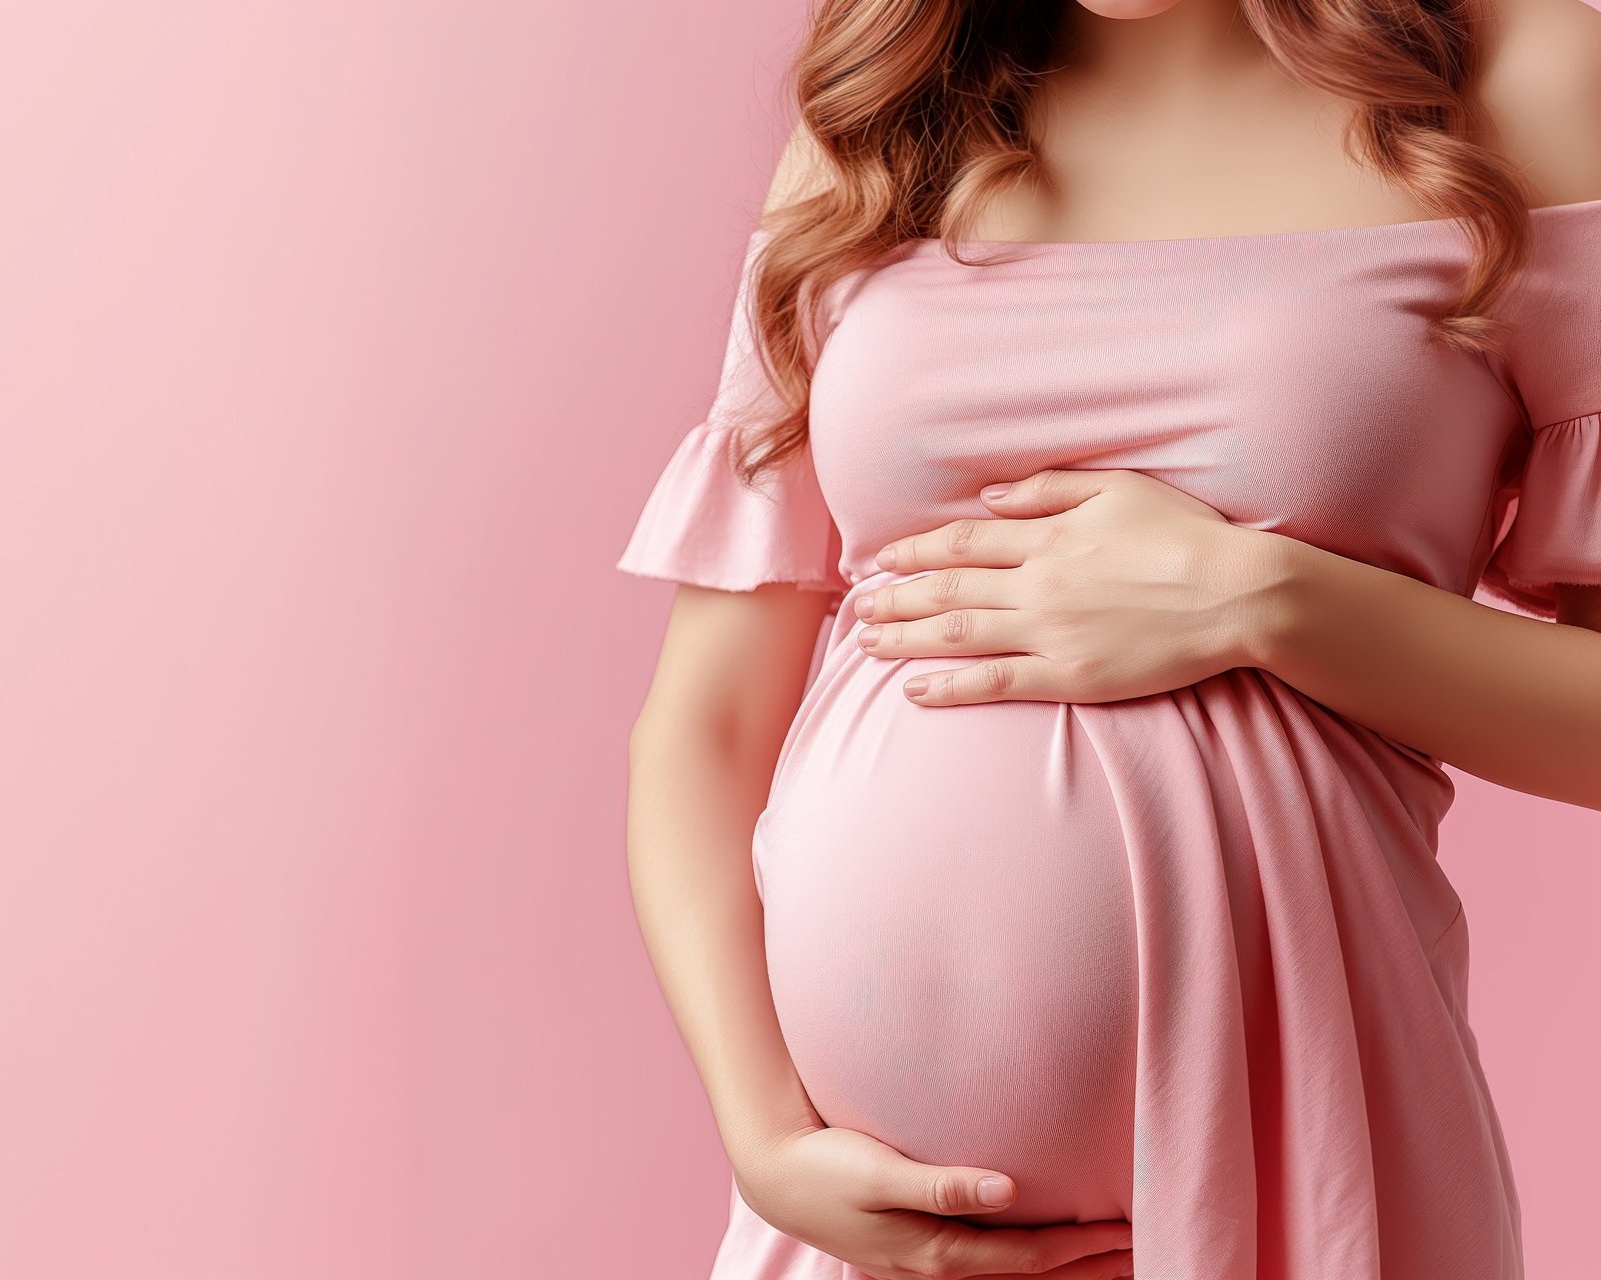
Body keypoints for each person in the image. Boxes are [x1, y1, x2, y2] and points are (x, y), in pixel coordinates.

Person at [615, 0, 1601, 1275]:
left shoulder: (1522, 75)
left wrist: (1263, 599)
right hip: (867, 1235)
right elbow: (705, 722)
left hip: (1302, 1189)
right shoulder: (884, 106)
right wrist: (764, 1139)